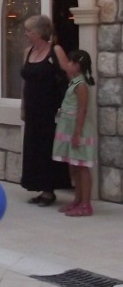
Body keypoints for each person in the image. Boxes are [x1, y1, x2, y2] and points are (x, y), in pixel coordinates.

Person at [19, 15, 72, 207]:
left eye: (29, 30)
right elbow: (24, 82)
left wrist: (66, 106)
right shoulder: (28, 52)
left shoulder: (55, 51)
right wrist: (23, 106)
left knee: (47, 147)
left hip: (49, 109)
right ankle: (39, 186)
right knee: (34, 148)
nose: (26, 34)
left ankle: (49, 190)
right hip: (33, 109)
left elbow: (68, 77)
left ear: (39, 32)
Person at [53, 50, 96, 217]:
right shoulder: (73, 82)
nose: (68, 65)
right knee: (74, 166)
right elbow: (64, 66)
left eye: (71, 62)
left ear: (77, 66)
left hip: (78, 129)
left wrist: (78, 133)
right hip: (68, 128)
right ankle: (77, 200)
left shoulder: (81, 85)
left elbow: (82, 109)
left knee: (82, 166)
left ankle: (86, 203)